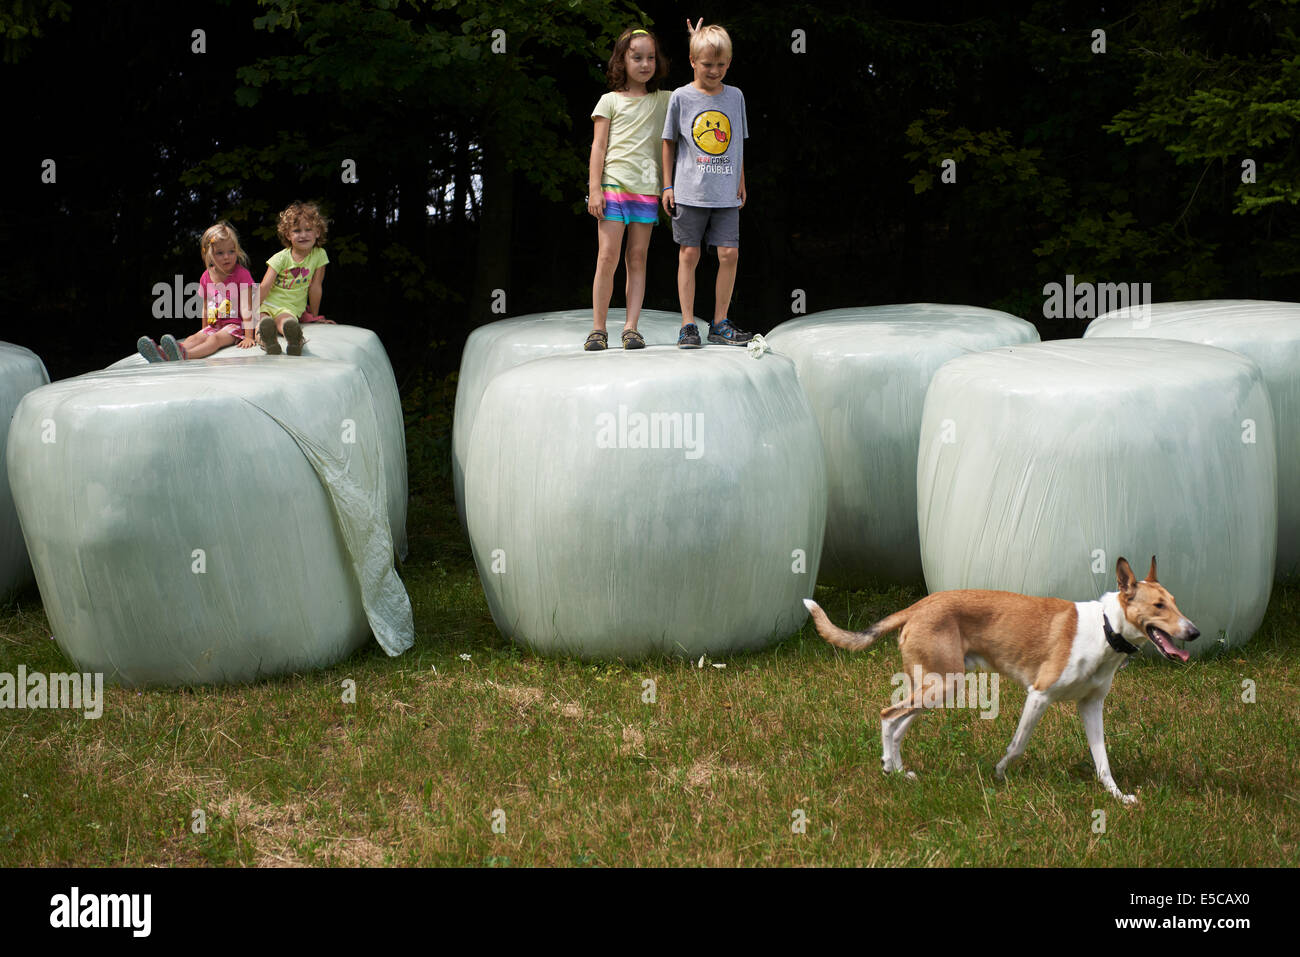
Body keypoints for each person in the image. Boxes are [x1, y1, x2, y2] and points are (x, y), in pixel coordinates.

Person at [661, 22, 754, 348]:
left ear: (728, 63)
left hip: (726, 191)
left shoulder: (736, 96)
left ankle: (720, 323)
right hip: (690, 191)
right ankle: (688, 324)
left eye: (720, 64)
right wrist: (667, 186)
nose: (714, 71)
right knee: (689, 254)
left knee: (729, 253)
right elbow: (669, 142)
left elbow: (737, 142)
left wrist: (741, 181)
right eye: (707, 64)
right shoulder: (681, 97)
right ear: (692, 61)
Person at [585, 27, 673, 351]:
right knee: (607, 256)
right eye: (637, 57)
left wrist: (698, 43)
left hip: (646, 191)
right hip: (612, 188)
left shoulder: (663, 100)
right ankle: (598, 329)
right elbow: (598, 147)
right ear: (623, 59)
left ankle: (631, 328)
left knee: (637, 258)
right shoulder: (608, 101)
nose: (645, 63)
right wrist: (595, 189)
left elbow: (697, 90)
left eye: (651, 57)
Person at [136, 221, 257, 362]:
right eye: (220, 253)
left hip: (234, 327)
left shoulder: (241, 274)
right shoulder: (206, 276)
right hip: (214, 325)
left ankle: (185, 355)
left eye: (231, 251)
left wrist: (249, 336)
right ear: (209, 255)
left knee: (214, 339)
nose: (226, 256)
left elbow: (247, 307)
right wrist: (203, 331)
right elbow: (205, 308)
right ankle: (163, 353)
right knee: (195, 338)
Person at [257, 201, 334, 356]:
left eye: (308, 229)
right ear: (288, 235)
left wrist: (313, 315)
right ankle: (268, 341)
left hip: (290, 307)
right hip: (267, 303)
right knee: (263, 322)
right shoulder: (280, 258)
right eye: (297, 230)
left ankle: (293, 339)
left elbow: (315, 287)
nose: (303, 235)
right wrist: (250, 311)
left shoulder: (319, 255)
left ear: (317, 232)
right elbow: (264, 286)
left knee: (285, 321)